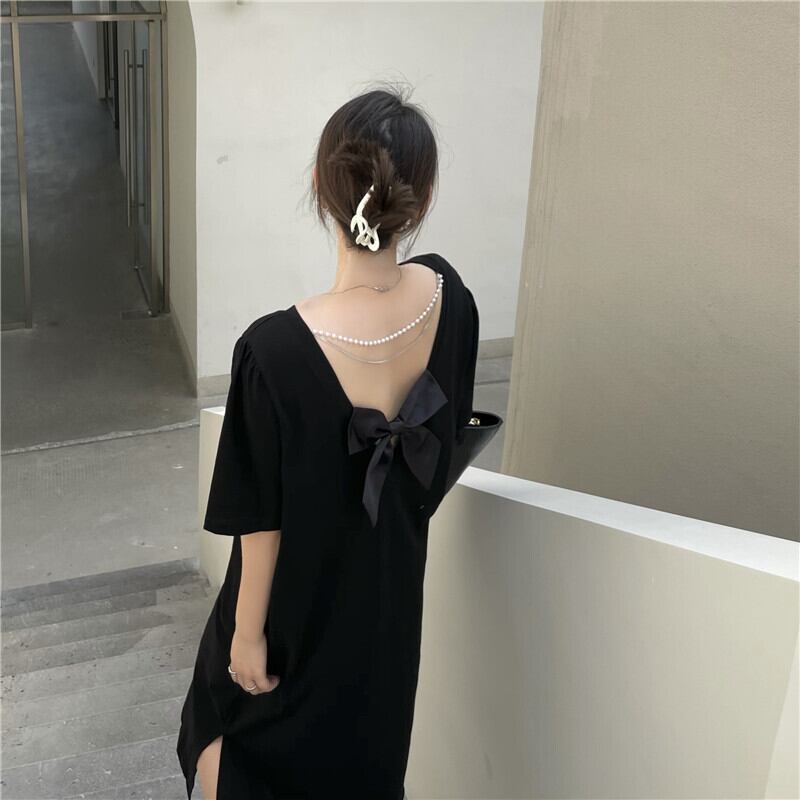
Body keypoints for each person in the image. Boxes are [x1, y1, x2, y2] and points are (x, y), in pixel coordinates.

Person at [176, 84, 479, 800]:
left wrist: (246, 635)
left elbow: (261, 523)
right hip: (387, 612)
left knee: (225, 743)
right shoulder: (452, 300)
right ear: (419, 201)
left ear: (319, 185)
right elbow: (443, 447)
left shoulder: (273, 351)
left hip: (293, 616)